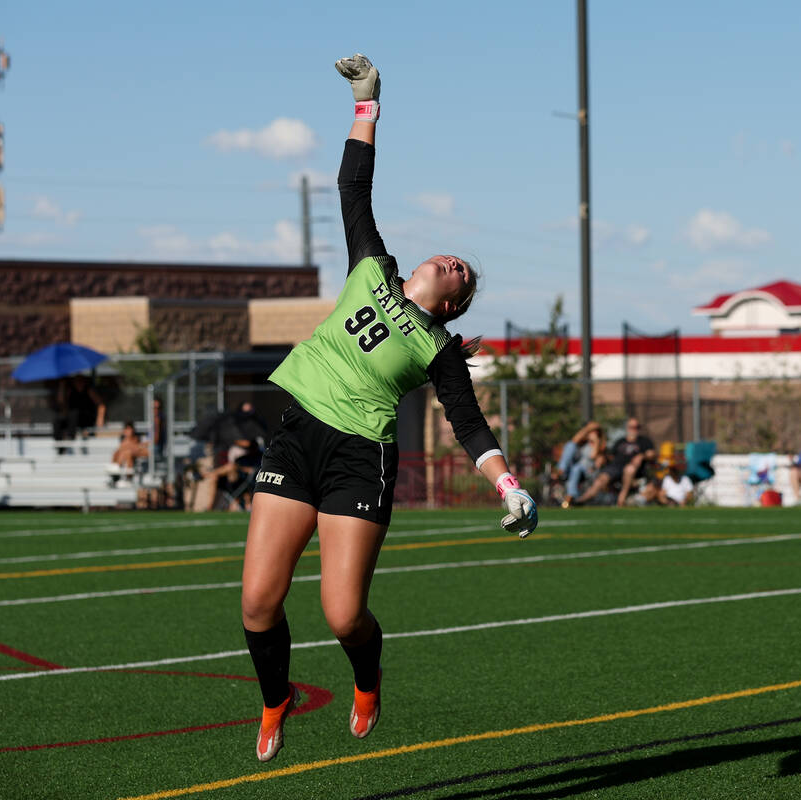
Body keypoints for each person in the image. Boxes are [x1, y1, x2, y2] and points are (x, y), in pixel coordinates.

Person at [239, 53, 538, 764]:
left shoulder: (438, 349)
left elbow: (468, 425)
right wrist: (367, 105)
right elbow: (354, 187)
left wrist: (510, 486)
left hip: (358, 458)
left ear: (453, 303)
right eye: (454, 256)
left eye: (464, 274)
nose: (454, 262)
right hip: (297, 437)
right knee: (257, 602)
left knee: (342, 613)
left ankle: (367, 678)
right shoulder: (372, 267)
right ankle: (274, 697)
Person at [575, 417, 656, 507]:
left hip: (635, 470)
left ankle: (621, 498)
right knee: (602, 478)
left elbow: (652, 453)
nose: (634, 429)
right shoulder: (620, 441)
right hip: (616, 467)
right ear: (627, 428)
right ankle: (580, 500)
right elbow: (610, 456)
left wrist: (642, 455)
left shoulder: (644, 441)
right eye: (631, 427)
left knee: (629, 469)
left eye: (636, 427)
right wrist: (602, 458)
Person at [555, 421, 606, 507]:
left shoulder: (600, 444)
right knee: (570, 445)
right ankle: (562, 470)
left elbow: (593, 456)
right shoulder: (582, 443)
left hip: (588, 470)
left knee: (576, 468)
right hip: (574, 469)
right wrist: (588, 429)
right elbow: (574, 440)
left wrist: (596, 441)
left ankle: (570, 496)